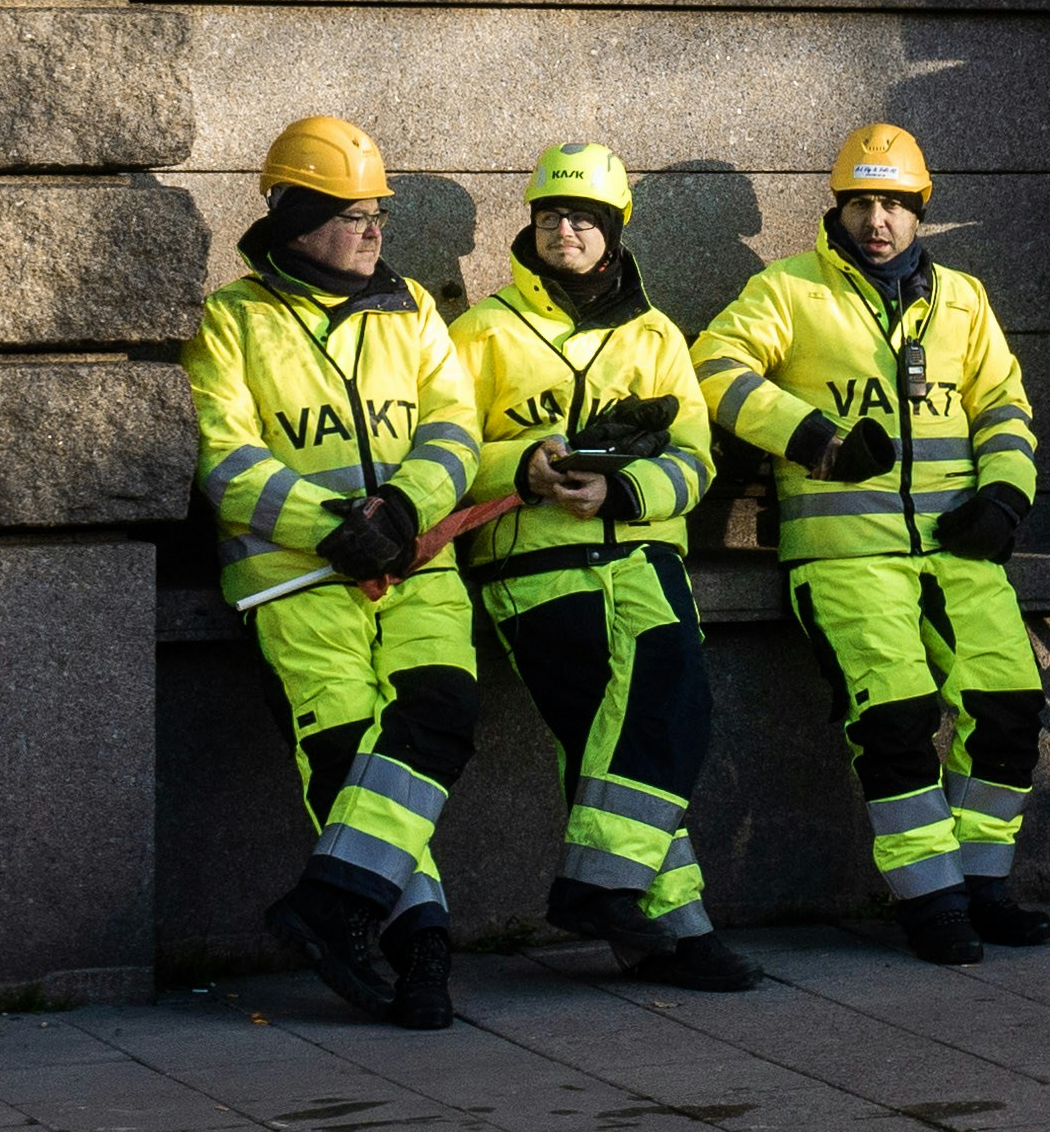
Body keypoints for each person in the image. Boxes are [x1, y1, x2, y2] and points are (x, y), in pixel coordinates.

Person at [696, 122, 1050, 966]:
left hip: (960, 550)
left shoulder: (963, 298)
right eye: (862, 202)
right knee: (895, 719)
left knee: (1008, 707)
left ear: (918, 210)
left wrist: (1005, 495)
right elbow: (714, 366)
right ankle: (929, 902)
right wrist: (813, 436)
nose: (877, 219)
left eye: (893, 202)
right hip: (846, 557)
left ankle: (981, 884)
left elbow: (1003, 405)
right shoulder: (787, 289)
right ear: (838, 208)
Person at [181, 116, 482, 1031]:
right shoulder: (232, 320)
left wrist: (400, 511)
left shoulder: (414, 311)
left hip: (418, 568)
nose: (372, 229)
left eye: (376, 213)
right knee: (351, 761)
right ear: (293, 216)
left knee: (440, 716)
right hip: (293, 581)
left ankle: (332, 904)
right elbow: (221, 455)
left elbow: (454, 429)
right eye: (350, 213)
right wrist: (330, 529)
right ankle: (419, 936)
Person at [453, 145, 761, 993]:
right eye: (551, 215)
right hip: (533, 563)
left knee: (675, 708)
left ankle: (607, 894)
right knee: (604, 729)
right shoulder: (479, 331)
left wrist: (622, 488)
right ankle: (674, 929)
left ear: (615, 230)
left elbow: (696, 461)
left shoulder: (656, 335)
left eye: (584, 218)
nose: (565, 230)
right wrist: (521, 465)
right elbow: (437, 453)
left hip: (642, 552)